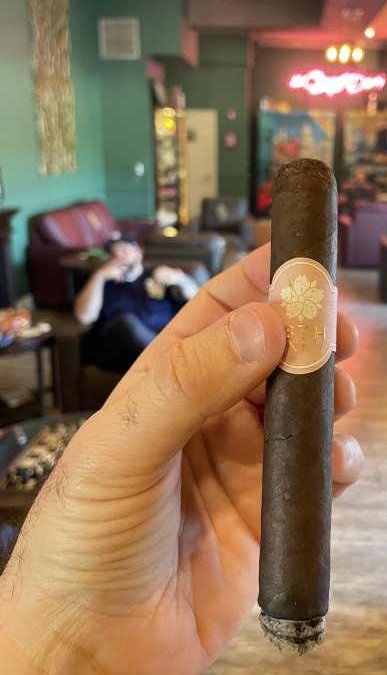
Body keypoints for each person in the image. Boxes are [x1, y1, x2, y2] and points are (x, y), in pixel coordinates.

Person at [0, 243, 364, 673]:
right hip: (128, 339)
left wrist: (175, 282)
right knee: (129, 326)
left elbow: (203, 309)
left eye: (132, 248)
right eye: (118, 249)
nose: (127, 253)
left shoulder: (156, 280)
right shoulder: (108, 284)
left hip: (173, 351)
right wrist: (106, 273)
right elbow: (84, 315)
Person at [74, 233, 200, 372]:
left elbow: (199, 304)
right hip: (124, 351)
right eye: (113, 254)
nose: (119, 255)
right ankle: (173, 362)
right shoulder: (105, 285)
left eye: (124, 250)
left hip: (167, 340)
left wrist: (180, 279)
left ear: (139, 252)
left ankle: (171, 361)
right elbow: (84, 316)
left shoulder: (157, 276)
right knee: (125, 321)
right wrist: (99, 277)